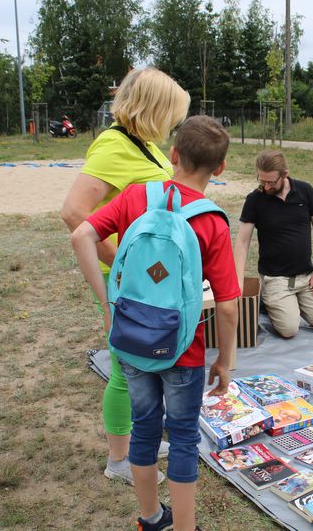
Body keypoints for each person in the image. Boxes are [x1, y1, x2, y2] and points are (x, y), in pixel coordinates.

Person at [71, 115, 240, 531]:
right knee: (182, 437)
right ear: (220, 168)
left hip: (131, 338)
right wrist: (225, 360)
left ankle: (149, 518)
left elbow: (81, 236)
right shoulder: (212, 221)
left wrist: (108, 303)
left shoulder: (135, 196)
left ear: (173, 154)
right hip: (184, 349)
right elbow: (228, 305)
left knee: (144, 429)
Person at [61, 68, 190, 486]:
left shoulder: (145, 144)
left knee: (145, 363)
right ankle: (119, 459)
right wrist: (119, 262)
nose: (174, 121)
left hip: (148, 276)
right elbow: (74, 213)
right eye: (171, 112)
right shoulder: (114, 146)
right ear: (153, 108)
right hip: (127, 280)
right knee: (125, 368)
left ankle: (138, 439)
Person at [234, 150, 313, 338]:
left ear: (285, 174)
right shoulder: (254, 199)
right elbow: (242, 241)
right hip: (275, 278)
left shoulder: (305, 190)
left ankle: (288, 304)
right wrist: (238, 280)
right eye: (262, 180)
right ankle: (272, 301)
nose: (266, 186)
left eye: (271, 182)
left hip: (306, 276)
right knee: (289, 330)